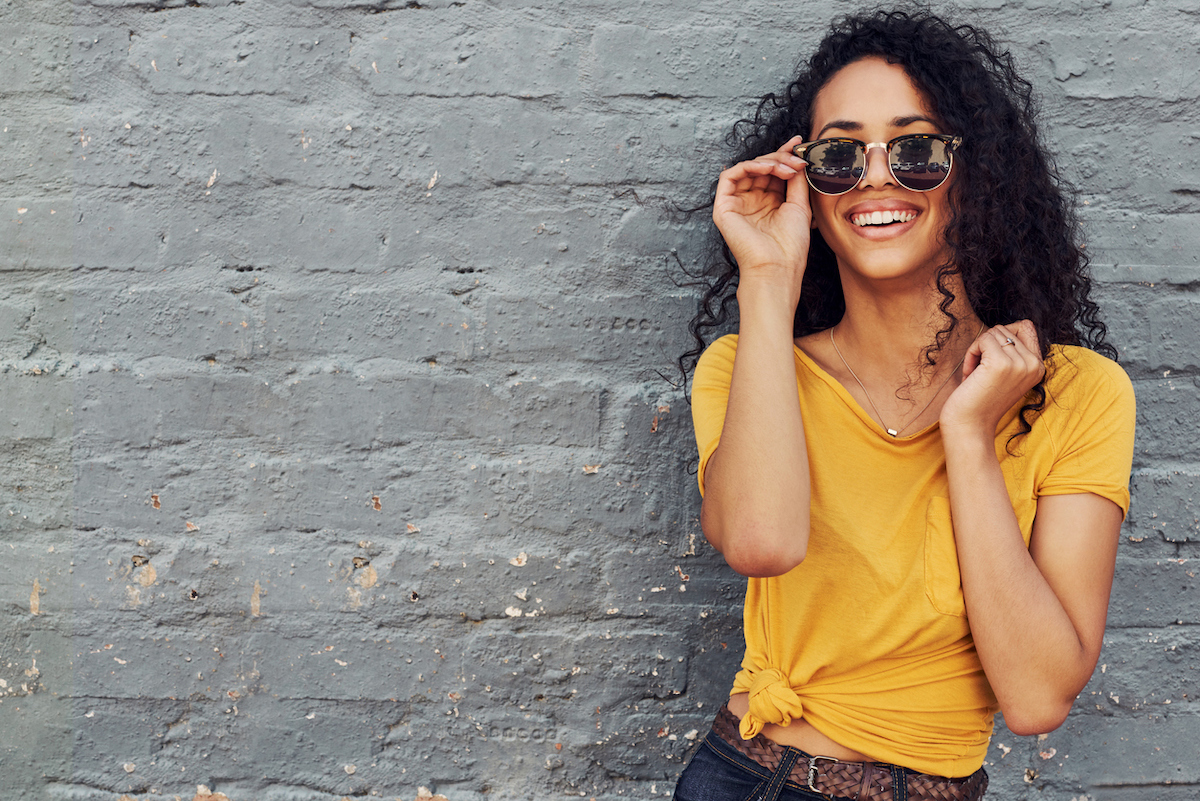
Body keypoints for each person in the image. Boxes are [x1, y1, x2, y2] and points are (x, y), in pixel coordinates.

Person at [673, 9, 1136, 801]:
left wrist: (969, 436)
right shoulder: (749, 367)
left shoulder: (1076, 392)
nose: (876, 177)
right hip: (754, 780)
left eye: (917, 149)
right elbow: (759, 541)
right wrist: (768, 278)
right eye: (840, 154)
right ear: (809, 186)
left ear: (975, 172)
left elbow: (1035, 695)